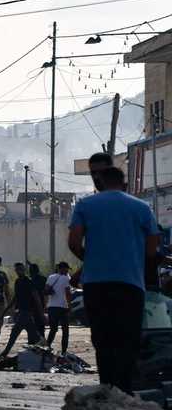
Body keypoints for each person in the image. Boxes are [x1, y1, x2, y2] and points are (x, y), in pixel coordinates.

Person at [68, 166, 159, 393]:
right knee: (128, 339)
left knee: (102, 338)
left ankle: (107, 386)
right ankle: (124, 389)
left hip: (95, 284)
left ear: (99, 183)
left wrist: (92, 259)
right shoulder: (142, 208)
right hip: (130, 283)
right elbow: (151, 248)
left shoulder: (85, 205)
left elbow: (74, 242)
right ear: (124, 184)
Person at [0, 262, 44, 358]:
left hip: (26, 312)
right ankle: (44, 351)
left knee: (14, 332)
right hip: (21, 312)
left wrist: (41, 313)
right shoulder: (18, 282)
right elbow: (15, 297)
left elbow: (36, 297)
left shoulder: (28, 281)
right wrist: (6, 310)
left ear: (23, 270)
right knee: (34, 336)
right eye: (17, 270)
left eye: (20, 269)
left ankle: (5, 352)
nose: (18, 271)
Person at [44, 262, 73, 353]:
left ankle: (47, 348)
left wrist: (46, 304)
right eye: (66, 269)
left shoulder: (51, 277)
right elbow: (67, 293)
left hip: (52, 307)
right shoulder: (66, 278)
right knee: (65, 331)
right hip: (62, 307)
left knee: (53, 329)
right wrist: (70, 305)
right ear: (62, 268)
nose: (67, 271)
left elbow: (46, 290)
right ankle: (64, 351)